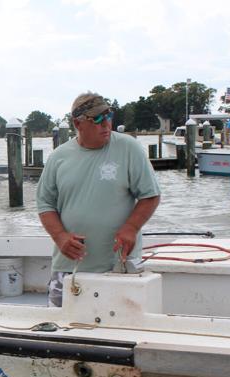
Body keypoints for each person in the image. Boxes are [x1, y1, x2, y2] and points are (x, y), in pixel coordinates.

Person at [36, 92, 161, 307]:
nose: (107, 124)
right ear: (77, 123)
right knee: (61, 329)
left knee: (120, 330)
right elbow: (45, 204)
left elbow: (150, 195)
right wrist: (60, 236)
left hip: (120, 266)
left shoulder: (128, 148)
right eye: (97, 119)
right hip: (69, 267)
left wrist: (131, 227)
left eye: (109, 116)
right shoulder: (59, 157)